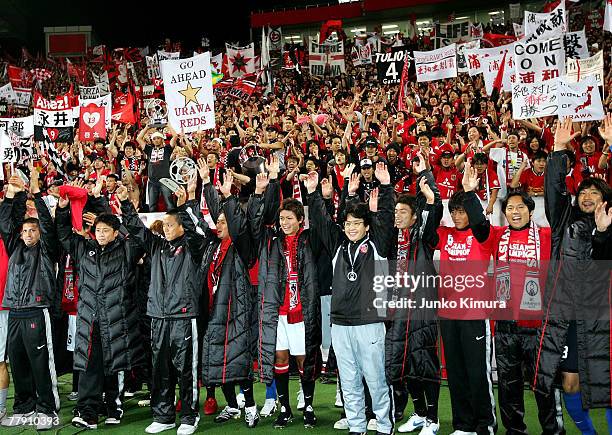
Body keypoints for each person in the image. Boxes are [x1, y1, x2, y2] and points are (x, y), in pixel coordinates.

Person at [462, 161, 564, 435]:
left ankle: (553, 431)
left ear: (531, 211)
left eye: (521, 207)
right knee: (508, 384)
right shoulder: (497, 236)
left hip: (538, 327)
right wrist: (472, 195)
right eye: (510, 208)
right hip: (506, 326)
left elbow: (561, 212)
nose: (515, 212)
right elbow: (479, 227)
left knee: (544, 385)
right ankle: (514, 431)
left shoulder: (545, 235)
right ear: (504, 213)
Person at [534, 117, 612, 434]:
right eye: (583, 192)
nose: (587, 196)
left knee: (606, 386)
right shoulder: (565, 222)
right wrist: (557, 149)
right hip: (568, 314)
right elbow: (554, 192)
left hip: (603, 315)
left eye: (595, 191)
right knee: (569, 384)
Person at [306, 162, 395, 435]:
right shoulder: (338, 247)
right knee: (349, 380)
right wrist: (313, 195)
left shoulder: (377, 245)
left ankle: (383, 424)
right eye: (348, 224)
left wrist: (387, 187)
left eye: (357, 224)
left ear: (366, 227)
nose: (352, 227)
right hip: (341, 324)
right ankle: (356, 426)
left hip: (369, 321)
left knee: (376, 379)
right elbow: (322, 223)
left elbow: (386, 220)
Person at [56, 184, 145, 430]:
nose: (102, 233)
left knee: (114, 366)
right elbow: (63, 235)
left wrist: (126, 206)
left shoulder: (126, 250)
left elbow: (139, 234)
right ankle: (88, 412)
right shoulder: (85, 248)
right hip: (90, 319)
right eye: (98, 229)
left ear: (116, 233)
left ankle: (114, 407)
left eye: (106, 230)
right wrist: (62, 211)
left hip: (117, 318)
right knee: (88, 366)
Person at [120, 183, 203, 435]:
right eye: (163, 225)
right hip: (158, 316)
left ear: (180, 225)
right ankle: (163, 415)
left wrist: (184, 204)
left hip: (184, 316)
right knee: (160, 370)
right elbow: (136, 228)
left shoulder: (193, 246)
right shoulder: (156, 246)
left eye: (169, 225)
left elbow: (195, 229)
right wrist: (125, 203)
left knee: (186, 370)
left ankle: (189, 416)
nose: (165, 229)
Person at [180, 167, 260, 428]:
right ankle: (233, 406)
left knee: (239, 359)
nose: (220, 225)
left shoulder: (241, 247)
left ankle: (250, 406)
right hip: (213, 311)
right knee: (217, 360)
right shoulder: (211, 245)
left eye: (225, 222)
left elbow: (238, 225)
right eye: (220, 221)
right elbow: (194, 228)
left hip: (236, 310)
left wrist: (228, 199)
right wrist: (190, 199)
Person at [249, 157, 322, 429]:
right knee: (279, 357)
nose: (284, 223)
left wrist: (315, 196)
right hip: (277, 312)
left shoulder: (308, 239)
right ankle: (284, 408)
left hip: (302, 312)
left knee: (305, 359)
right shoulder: (271, 240)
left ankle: (310, 405)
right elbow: (255, 224)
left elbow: (323, 228)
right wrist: (263, 190)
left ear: (300, 220)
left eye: (289, 218)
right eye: (281, 219)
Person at [387, 154, 443, 435]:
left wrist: (428, 181)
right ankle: (419, 413)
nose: (397, 216)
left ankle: (433, 419)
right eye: (395, 212)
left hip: (422, 309)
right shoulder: (392, 239)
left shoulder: (423, 239)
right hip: (396, 309)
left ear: (413, 216)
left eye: (403, 212)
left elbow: (433, 214)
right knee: (405, 365)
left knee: (426, 364)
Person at [0, 170, 60, 431]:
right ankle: (24, 407)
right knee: (18, 360)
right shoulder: (15, 246)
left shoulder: (47, 249)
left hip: (37, 310)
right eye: (24, 230)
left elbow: (47, 225)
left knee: (40, 362)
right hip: (15, 310)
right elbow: (6, 223)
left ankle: (47, 408)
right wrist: (12, 197)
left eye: (31, 230)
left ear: (38, 233)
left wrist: (34, 194)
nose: (27, 233)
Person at [436, 189, 497, 435]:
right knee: (456, 373)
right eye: (453, 211)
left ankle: (485, 425)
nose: (457, 216)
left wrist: (470, 192)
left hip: (474, 315)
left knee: (477, 373)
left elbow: (480, 220)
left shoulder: (483, 235)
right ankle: (464, 425)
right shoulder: (445, 234)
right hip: (448, 314)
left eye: (461, 211)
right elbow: (429, 224)